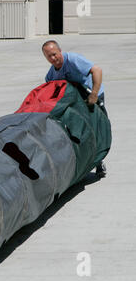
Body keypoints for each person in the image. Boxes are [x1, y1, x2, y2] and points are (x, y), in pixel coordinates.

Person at [42, 40, 107, 178]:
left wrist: (94, 95)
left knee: (95, 129)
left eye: (54, 54)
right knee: (78, 132)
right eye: (49, 57)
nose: (53, 58)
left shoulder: (72, 60)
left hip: (92, 95)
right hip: (76, 102)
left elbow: (97, 70)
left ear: (60, 51)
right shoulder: (51, 76)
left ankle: (99, 161)